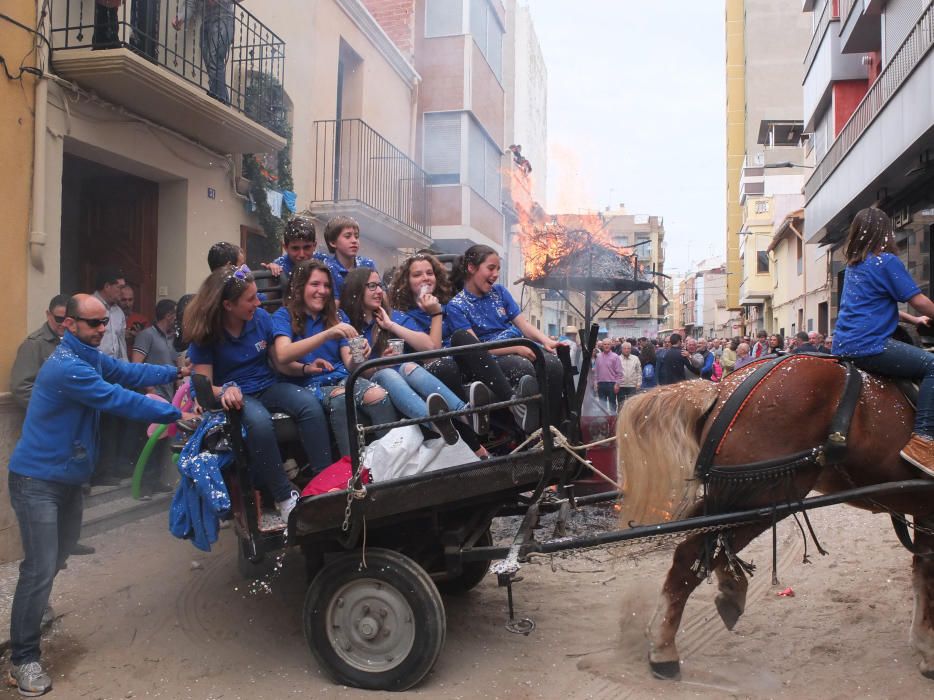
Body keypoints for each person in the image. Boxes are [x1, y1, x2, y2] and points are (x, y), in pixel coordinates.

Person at [6, 294, 186, 696]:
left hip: (67, 478)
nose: (102, 329)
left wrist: (176, 367)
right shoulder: (67, 366)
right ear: (69, 325)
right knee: (38, 566)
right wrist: (177, 413)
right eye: (93, 324)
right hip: (36, 480)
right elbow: (117, 398)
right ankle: (23, 659)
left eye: (104, 322)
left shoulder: (87, 355)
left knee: (61, 552)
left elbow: (125, 372)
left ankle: (33, 608)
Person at [184, 265, 333, 523]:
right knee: (260, 423)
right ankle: (284, 497)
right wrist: (226, 391)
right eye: (251, 298)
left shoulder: (262, 319)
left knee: (309, 405)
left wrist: (308, 367)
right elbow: (204, 385)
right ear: (229, 305)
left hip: (268, 385)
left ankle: (326, 485)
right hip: (238, 395)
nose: (258, 302)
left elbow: (279, 363)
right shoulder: (207, 334)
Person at [386, 252, 536, 435]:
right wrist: (435, 314)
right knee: (449, 358)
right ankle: (485, 427)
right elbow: (433, 349)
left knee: (471, 342)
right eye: (417, 275)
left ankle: (519, 412)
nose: (425, 278)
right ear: (406, 282)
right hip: (435, 369)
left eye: (429, 273)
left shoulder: (448, 304)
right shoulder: (402, 314)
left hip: (466, 360)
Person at [832, 207, 934, 476]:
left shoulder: (854, 266)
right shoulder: (885, 261)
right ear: (885, 232)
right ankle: (923, 442)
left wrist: (915, 322)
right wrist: (924, 313)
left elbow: (880, 305)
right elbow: (919, 301)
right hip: (871, 346)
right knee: (933, 365)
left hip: (844, 346)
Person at [270, 260, 398, 458]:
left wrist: (360, 355)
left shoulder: (337, 316)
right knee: (340, 398)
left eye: (327, 285)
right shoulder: (283, 315)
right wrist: (327, 335)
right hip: (305, 384)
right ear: (299, 286)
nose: (322, 291)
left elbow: (349, 363)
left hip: (342, 377)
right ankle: (353, 470)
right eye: (315, 284)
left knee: (378, 395)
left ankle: (393, 461)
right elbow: (283, 353)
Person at [340, 267, 468, 446]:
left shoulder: (394, 316)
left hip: (403, 374)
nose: (378, 291)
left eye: (380, 285)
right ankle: (435, 422)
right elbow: (354, 368)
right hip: (374, 379)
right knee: (388, 373)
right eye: (371, 286)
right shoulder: (346, 324)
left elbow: (430, 347)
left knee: (408, 365)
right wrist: (376, 363)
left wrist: (390, 325)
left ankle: (464, 412)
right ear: (356, 290)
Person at [447, 245, 566, 428]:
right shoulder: (456, 306)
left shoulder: (500, 292)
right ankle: (527, 432)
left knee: (554, 365)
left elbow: (524, 325)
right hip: (492, 357)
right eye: (491, 268)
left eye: (498, 269)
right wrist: (517, 348)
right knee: (522, 366)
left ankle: (552, 430)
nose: (495, 274)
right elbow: (476, 347)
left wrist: (546, 341)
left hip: (518, 344)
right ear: (471, 267)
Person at [10, 295, 69, 409]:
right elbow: (22, 388)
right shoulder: (34, 344)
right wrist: (53, 407)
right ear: (48, 315)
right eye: (59, 319)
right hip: (49, 417)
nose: (64, 324)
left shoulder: (74, 341)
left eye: (68, 320)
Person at [173, 0, 238, 103]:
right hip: (206, 22)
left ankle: (218, 98)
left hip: (223, 19)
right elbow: (190, 3)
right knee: (210, 62)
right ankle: (223, 100)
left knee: (214, 58)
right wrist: (180, 17)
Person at [315, 216, 376, 301]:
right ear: (332, 242)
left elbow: (381, 294)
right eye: (348, 236)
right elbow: (335, 304)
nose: (354, 240)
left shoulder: (367, 264)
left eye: (356, 236)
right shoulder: (328, 269)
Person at [263, 214, 318, 280]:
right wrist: (271, 276)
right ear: (285, 247)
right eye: (295, 248)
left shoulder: (324, 263)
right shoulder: (280, 267)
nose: (301, 254)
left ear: (314, 246)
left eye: (306, 247)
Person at [593, 340, 623, 411]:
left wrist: (617, 384)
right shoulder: (598, 356)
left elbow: (619, 372)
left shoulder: (615, 357)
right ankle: (604, 421)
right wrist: (595, 382)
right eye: (605, 344)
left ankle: (612, 421)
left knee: (612, 404)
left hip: (612, 384)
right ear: (602, 346)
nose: (606, 346)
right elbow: (596, 371)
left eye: (608, 344)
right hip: (600, 383)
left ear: (611, 345)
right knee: (602, 405)